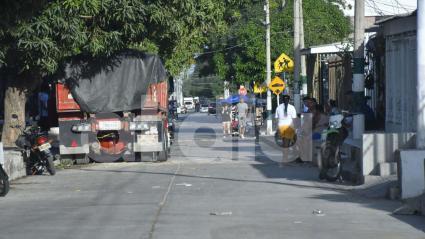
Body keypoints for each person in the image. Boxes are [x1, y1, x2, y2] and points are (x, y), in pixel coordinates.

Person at [275, 95, 299, 164]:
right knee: (287, 143)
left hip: (281, 126)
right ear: (289, 100)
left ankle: (286, 157)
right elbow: (294, 119)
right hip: (289, 126)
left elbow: (276, 118)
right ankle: (285, 158)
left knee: (285, 142)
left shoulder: (278, 107)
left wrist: (277, 127)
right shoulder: (292, 107)